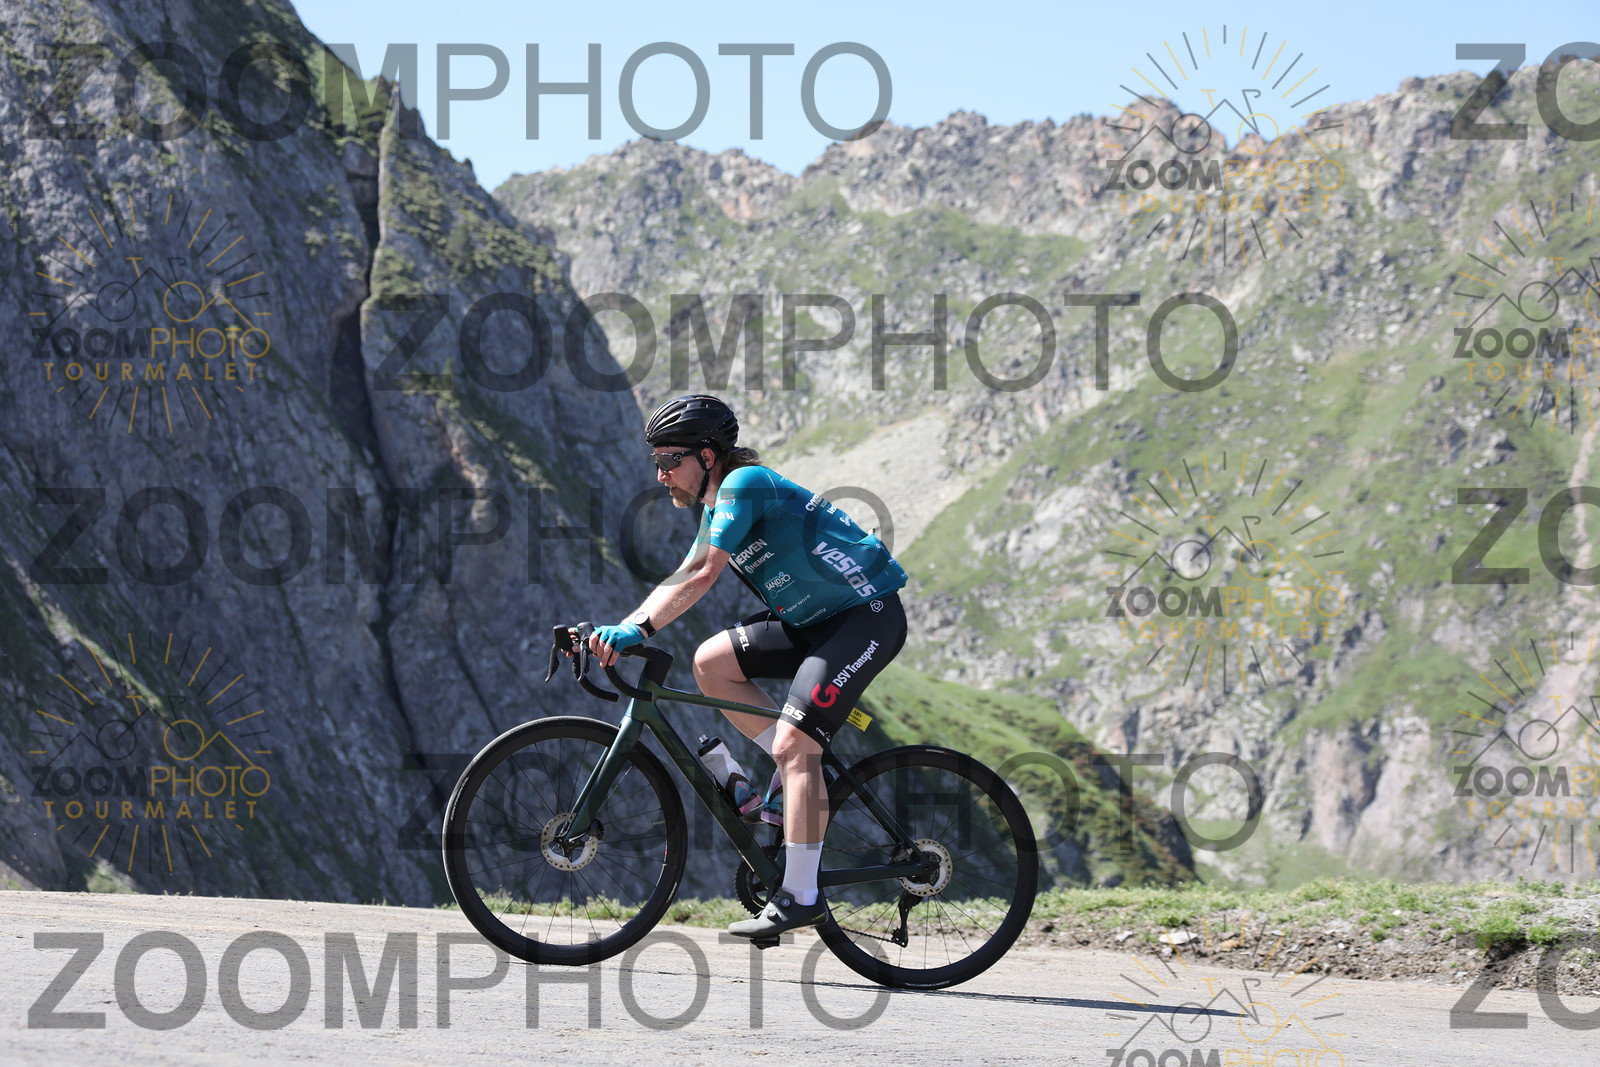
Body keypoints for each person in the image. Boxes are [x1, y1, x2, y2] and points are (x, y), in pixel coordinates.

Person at [587, 394, 909, 938]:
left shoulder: (745, 483)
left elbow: (704, 575)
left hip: (863, 617)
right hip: (810, 621)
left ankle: (801, 895)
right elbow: (685, 571)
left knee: (794, 745)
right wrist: (621, 626)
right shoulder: (717, 504)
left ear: (707, 456)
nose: (661, 475)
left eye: (669, 460)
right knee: (711, 664)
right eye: (656, 462)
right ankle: (802, 774)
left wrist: (638, 631)